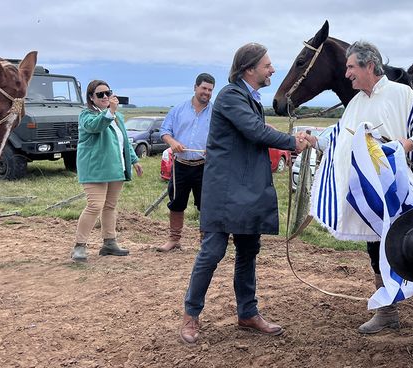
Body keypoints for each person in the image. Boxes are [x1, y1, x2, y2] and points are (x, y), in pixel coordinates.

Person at [311, 41, 413, 353]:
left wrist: (402, 146)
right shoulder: (355, 103)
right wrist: (312, 140)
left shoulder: (401, 93)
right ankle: (388, 311)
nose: (347, 73)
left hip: (403, 190)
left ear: (369, 66)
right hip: (372, 196)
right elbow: (339, 136)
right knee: (375, 248)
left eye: (352, 67)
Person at [179, 43, 314, 344]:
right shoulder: (230, 96)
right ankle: (191, 315)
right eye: (267, 65)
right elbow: (256, 131)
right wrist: (292, 141)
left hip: (246, 190)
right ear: (249, 69)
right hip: (225, 191)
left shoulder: (248, 98)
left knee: (248, 252)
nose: (273, 70)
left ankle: (247, 313)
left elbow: (254, 137)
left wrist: (287, 144)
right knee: (212, 252)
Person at [70, 80, 143, 262]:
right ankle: (79, 246)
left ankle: (109, 242)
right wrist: (110, 111)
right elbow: (96, 126)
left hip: (115, 167)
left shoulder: (117, 116)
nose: (105, 97)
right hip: (95, 169)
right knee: (95, 205)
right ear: (91, 98)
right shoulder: (86, 115)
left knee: (110, 206)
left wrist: (134, 160)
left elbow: (124, 140)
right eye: (100, 94)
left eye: (107, 93)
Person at [157, 73, 215, 252]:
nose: (206, 93)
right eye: (204, 88)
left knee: (205, 204)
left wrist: (213, 147)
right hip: (180, 165)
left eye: (210, 90)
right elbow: (164, 131)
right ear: (195, 87)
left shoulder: (216, 112)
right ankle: (174, 239)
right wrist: (173, 143)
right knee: (176, 202)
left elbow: (222, 137)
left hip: (204, 166)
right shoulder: (178, 110)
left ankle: (205, 241)